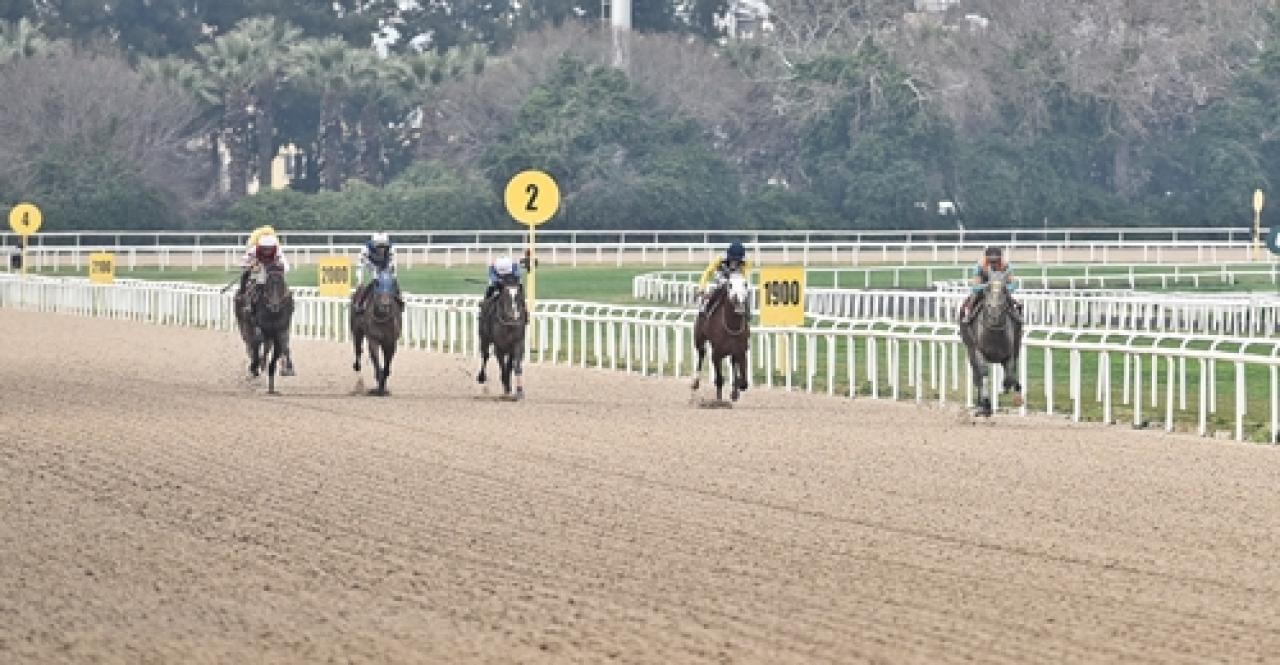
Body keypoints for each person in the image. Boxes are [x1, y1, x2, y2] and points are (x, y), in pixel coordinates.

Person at [959, 246, 1020, 323]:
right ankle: (969, 316)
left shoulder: (1007, 267)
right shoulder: (979, 267)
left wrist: (1005, 287)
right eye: (991, 261)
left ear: (1000, 259)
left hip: (1001, 291)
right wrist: (987, 286)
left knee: (1013, 304)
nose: (993, 263)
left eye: (996, 261)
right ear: (986, 259)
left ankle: (1016, 319)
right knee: (973, 299)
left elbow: (1014, 284)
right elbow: (975, 287)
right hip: (984, 291)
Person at [238, 234, 290, 314]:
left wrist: (280, 266)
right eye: (265, 248)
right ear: (260, 247)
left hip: (273, 270)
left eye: (269, 249)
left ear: (273, 247)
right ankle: (243, 297)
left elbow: (286, 267)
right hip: (259, 269)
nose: (267, 251)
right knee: (258, 279)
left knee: (277, 279)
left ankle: (287, 302)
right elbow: (242, 263)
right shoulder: (254, 250)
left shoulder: (278, 251)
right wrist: (251, 266)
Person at [354, 232, 400, 313]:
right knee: (374, 281)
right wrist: (360, 281)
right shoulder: (366, 249)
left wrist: (393, 276)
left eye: (384, 246)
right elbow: (360, 265)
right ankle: (361, 303)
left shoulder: (391, 248)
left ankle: (399, 302)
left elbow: (393, 265)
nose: (382, 249)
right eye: (379, 246)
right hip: (369, 264)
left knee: (393, 281)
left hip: (384, 265)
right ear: (374, 244)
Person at [698, 241, 748, 316]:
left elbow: (745, 277)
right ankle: (705, 307)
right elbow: (707, 272)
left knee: (742, 291)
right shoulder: (720, 258)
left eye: (737, 260)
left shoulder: (746, 261)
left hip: (736, 278)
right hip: (721, 275)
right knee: (717, 289)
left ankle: (747, 312)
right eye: (732, 259)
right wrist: (702, 288)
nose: (734, 263)